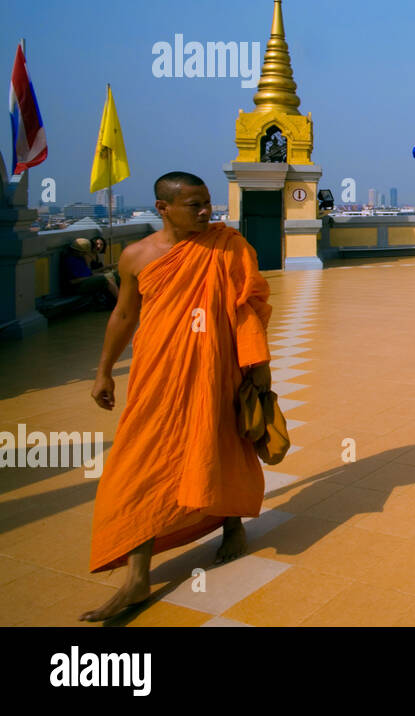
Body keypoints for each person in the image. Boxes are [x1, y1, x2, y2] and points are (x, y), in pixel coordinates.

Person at [81, 171, 273, 622]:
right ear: (162, 208)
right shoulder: (137, 256)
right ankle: (137, 574)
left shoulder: (228, 247)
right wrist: (103, 372)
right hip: (156, 373)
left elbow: (249, 307)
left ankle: (232, 525)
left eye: (207, 203)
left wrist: (259, 374)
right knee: (139, 462)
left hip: (216, 365)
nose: (207, 212)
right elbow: (125, 314)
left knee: (219, 442)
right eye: (194, 205)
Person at [62, 237, 118, 308]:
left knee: (113, 275)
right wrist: (94, 276)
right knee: (106, 279)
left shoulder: (80, 259)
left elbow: (89, 272)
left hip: (86, 280)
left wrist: (103, 272)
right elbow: (73, 281)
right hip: (77, 287)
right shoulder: (70, 261)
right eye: (83, 252)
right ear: (77, 251)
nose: (85, 254)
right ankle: (120, 303)